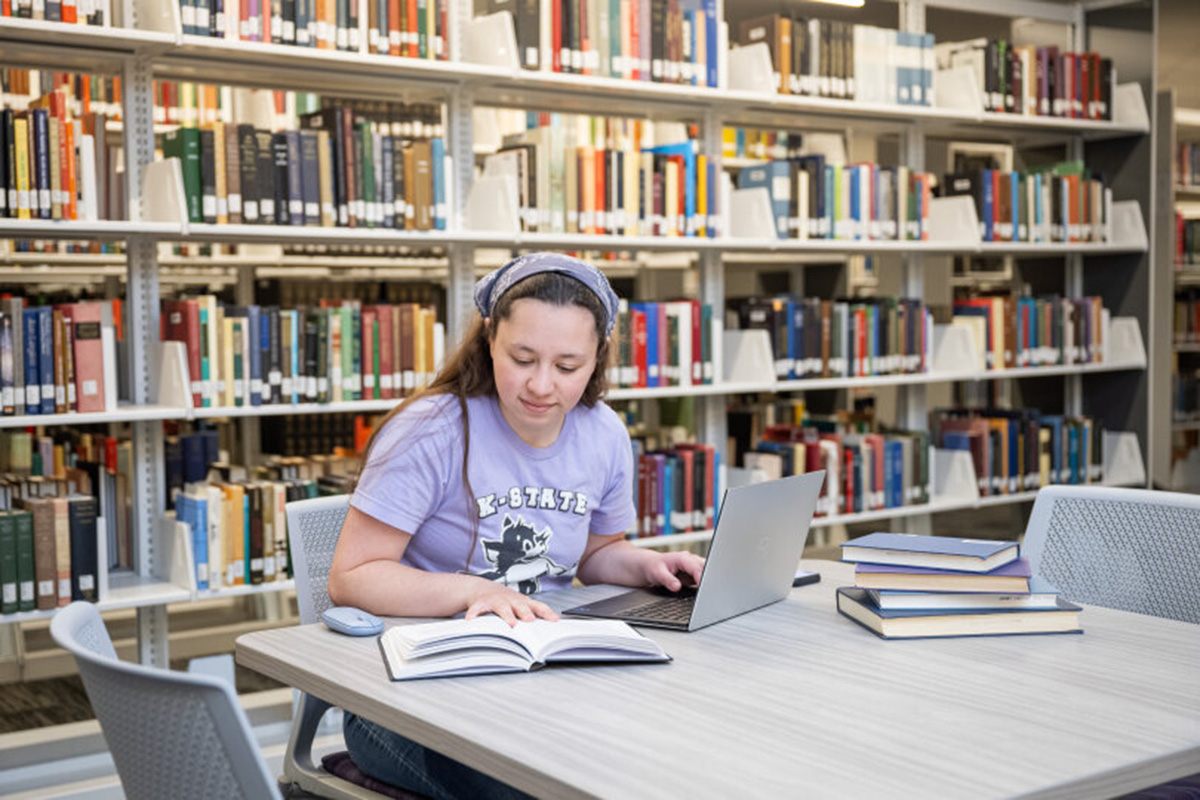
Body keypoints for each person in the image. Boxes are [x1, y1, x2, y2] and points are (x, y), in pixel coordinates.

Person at [327, 252, 706, 800]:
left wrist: (648, 565)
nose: (541, 385)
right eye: (522, 358)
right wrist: (478, 590)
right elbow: (351, 577)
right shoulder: (431, 430)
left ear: (597, 357)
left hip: (541, 681)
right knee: (538, 789)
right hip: (404, 695)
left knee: (643, 766)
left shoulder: (602, 433)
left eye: (567, 366)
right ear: (488, 339)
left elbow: (596, 556)